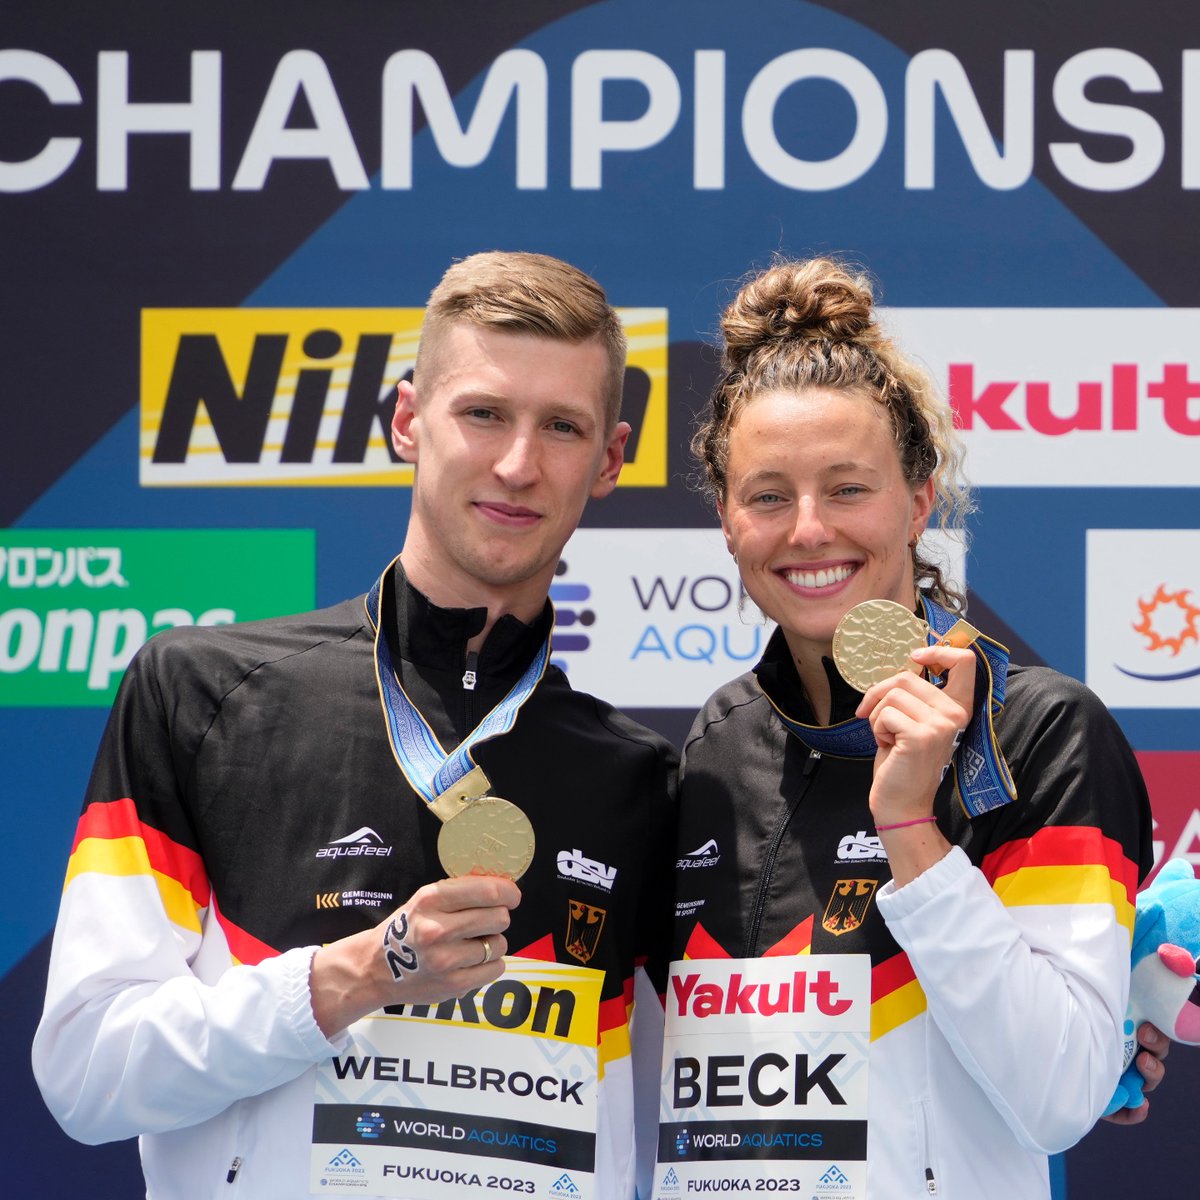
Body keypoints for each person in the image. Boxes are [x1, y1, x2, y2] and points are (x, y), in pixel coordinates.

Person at [33, 251, 677, 1199]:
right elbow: (87, 1073)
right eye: (484, 412)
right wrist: (351, 978)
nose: (517, 464)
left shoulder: (639, 777)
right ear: (410, 420)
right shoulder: (204, 692)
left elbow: (660, 1124)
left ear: (611, 458)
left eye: (562, 427)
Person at [665, 257, 1158, 1198]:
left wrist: (913, 835)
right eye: (768, 495)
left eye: (848, 489)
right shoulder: (717, 742)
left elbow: (1058, 1098)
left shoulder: (1042, 730)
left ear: (919, 499)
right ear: (727, 519)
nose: (808, 530)